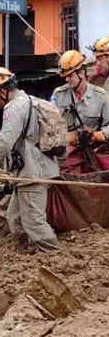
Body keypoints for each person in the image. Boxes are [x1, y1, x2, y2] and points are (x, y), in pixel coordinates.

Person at [0, 68, 59, 251]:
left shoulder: (14, 108)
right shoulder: (29, 101)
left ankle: (53, 255)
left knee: (34, 222)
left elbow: (4, 143)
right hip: (32, 168)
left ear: (3, 91)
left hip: (32, 171)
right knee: (15, 218)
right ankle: (29, 253)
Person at [53, 50, 109, 147]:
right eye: (65, 76)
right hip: (66, 151)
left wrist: (98, 135)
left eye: (70, 75)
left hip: (92, 149)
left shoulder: (100, 95)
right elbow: (50, 126)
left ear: (81, 73)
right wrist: (66, 137)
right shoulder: (59, 95)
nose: (67, 79)